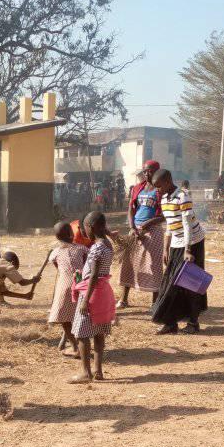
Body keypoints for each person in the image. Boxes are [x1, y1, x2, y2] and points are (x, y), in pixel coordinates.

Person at [151, 169, 207, 334]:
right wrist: (165, 249)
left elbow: (187, 225)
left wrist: (188, 250)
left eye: (159, 186)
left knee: (191, 282)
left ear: (168, 182)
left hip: (193, 242)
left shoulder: (183, 196)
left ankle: (193, 322)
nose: (157, 190)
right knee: (171, 282)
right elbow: (169, 225)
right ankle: (170, 323)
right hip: (176, 243)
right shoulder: (164, 199)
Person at [69, 212, 116, 383]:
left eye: (85, 228)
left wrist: (85, 300)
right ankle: (98, 371)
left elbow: (94, 275)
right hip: (103, 293)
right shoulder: (108, 244)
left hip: (92, 293)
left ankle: (85, 373)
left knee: (81, 334)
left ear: (91, 227)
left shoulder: (96, 248)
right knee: (98, 333)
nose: (84, 232)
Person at [118, 161, 165, 309]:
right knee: (128, 263)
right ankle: (123, 299)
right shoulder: (138, 188)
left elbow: (164, 215)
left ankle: (155, 302)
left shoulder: (161, 191)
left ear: (157, 171)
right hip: (135, 230)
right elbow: (131, 209)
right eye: (144, 171)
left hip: (153, 231)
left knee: (154, 265)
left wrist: (148, 224)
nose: (146, 174)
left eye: (150, 171)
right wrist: (132, 227)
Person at [48, 222, 89, 357]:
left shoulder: (55, 252)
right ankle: (82, 345)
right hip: (80, 283)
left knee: (63, 318)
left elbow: (58, 267)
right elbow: (86, 265)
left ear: (56, 237)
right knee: (81, 316)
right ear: (72, 234)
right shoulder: (82, 249)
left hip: (64, 286)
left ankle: (74, 346)